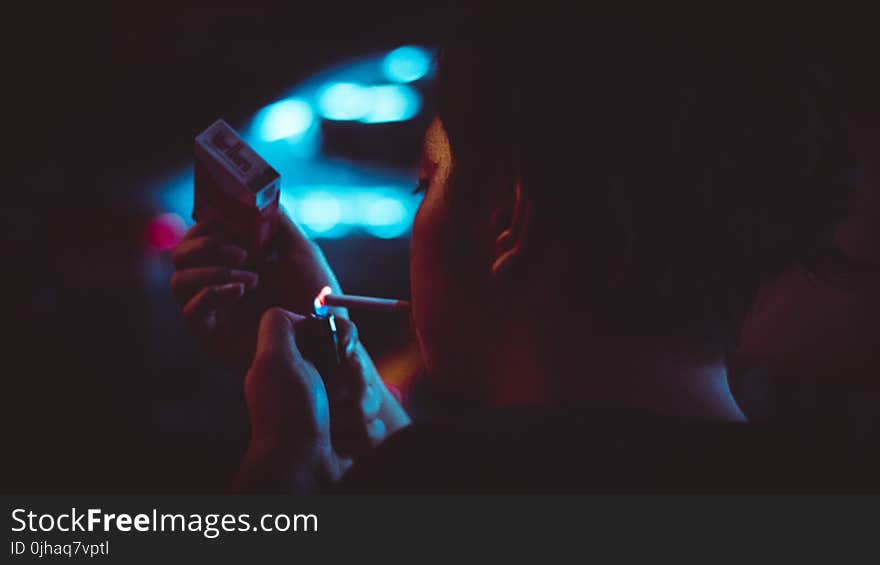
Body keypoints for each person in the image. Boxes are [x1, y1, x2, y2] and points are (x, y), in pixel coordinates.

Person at [171, 22, 873, 492]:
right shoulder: (827, 482)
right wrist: (346, 370)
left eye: (427, 184)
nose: (419, 212)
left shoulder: (418, 487)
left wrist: (282, 481)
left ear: (505, 220)